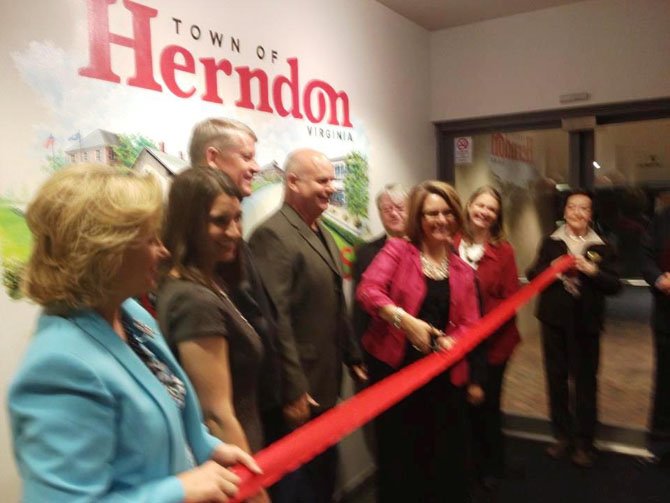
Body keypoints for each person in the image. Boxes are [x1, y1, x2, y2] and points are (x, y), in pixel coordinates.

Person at [8, 164, 260, 502]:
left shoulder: (129, 314)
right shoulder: (59, 367)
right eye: (150, 239)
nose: (164, 250)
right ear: (105, 252)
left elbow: (170, 410)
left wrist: (208, 448)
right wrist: (180, 491)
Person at [249, 148, 366, 503]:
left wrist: (352, 355)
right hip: (300, 389)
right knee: (298, 485)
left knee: (323, 473)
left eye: (332, 180)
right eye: (322, 180)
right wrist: (294, 389)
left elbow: (334, 302)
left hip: (326, 381)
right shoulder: (272, 236)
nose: (331, 188)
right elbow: (275, 318)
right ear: (293, 182)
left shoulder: (322, 232)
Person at [356, 180, 481, 503]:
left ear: (456, 216)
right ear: (419, 219)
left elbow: (470, 323)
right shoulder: (399, 250)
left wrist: (455, 342)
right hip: (397, 375)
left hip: (443, 379)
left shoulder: (463, 271)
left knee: (442, 460)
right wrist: (404, 320)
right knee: (400, 461)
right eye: (431, 214)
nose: (440, 220)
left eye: (447, 213)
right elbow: (368, 291)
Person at [188, 118, 284, 456]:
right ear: (212, 157)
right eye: (246, 157)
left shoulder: (227, 238)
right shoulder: (193, 259)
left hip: (256, 407)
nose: (256, 167)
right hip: (228, 431)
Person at [157, 168, 266, 460]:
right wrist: (254, 492)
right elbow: (216, 416)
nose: (234, 232)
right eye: (220, 221)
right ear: (188, 224)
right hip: (232, 463)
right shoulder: (194, 300)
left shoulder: (209, 282)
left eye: (237, 217)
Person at [527, 189, 621, 468]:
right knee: (556, 380)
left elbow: (615, 285)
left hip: (587, 325)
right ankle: (562, 436)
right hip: (554, 322)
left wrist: (594, 272)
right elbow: (533, 275)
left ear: (591, 214)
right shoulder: (550, 242)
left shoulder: (603, 246)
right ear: (564, 211)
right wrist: (552, 268)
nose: (578, 213)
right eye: (572, 207)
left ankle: (584, 442)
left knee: (585, 384)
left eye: (584, 208)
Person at [454, 185, 521, 489]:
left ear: (497, 217)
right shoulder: (450, 241)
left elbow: (510, 299)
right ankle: (466, 467)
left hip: (495, 344)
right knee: (461, 407)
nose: (484, 212)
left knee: (486, 405)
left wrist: (482, 333)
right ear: (469, 206)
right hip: (455, 345)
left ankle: (491, 467)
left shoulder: (504, 250)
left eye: (491, 209)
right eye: (480, 205)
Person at [352, 183, 408, 343]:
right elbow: (359, 308)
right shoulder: (365, 253)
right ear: (380, 213)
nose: (393, 214)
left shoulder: (425, 249)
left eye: (400, 208)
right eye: (387, 209)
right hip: (378, 344)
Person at [641, 203, 670, 465]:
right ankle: (661, 445)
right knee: (665, 381)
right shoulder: (662, 218)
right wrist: (661, 280)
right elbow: (646, 258)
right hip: (666, 316)